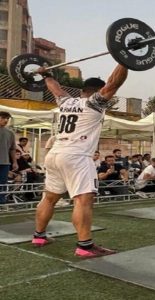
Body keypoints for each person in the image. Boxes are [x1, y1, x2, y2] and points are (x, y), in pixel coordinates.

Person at [32, 63, 128, 258]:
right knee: (83, 201)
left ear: (82, 90)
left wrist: (45, 75)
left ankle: (39, 236)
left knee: (49, 198)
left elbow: (55, 88)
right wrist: (124, 61)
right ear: (97, 91)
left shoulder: (66, 102)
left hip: (55, 155)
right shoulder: (95, 103)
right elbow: (113, 83)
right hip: (77, 157)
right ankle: (85, 246)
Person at [0, 111, 18, 204]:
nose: (6, 120)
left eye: (7, 118)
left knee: (3, 183)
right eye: (3, 118)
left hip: (5, 163)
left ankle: (1, 203)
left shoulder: (10, 133)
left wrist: (15, 162)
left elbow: (12, 149)